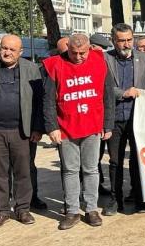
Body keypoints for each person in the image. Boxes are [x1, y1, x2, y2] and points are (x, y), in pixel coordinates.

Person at [42, 33, 115, 230]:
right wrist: (51, 127)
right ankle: (72, 210)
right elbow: (48, 99)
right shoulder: (54, 64)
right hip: (66, 126)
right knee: (70, 170)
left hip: (93, 125)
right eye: (74, 53)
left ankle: (91, 209)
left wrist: (108, 124)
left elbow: (107, 95)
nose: (78, 57)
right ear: (67, 48)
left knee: (91, 169)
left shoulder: (100, 62)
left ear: (90, 48)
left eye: (82, 52)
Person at [0, 34, 44, 229]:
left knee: (23, 171)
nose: (6, 52)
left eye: (12, 50)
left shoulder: (31, 69)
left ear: (20, 52)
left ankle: (23, 209)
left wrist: (38, 128)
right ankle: (1, 211)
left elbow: (39, 101)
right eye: (4, 48)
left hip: (22, 131)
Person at [103, 24, 145, 216]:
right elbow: (103, 87)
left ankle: (141, 199)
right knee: (115, 161)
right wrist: (123, 93)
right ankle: (115, 201)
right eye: (121, 40)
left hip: (138, 117)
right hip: (114, 117)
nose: (126, 44)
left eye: (129, 40)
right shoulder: (104, 59)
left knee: (138, 160)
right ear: (113, 41)